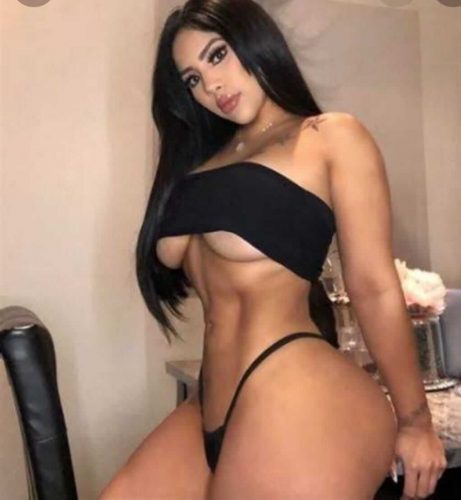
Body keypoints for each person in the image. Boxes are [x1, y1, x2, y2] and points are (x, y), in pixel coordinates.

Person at [99, 0, 447, 498]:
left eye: (217, 55)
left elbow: (372, 286)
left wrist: (415, 421)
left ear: (254, 39)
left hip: (295, 387)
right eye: (193, 79)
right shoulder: (204, 161)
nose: (212, 85)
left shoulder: (329, 137)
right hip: (212, 404)